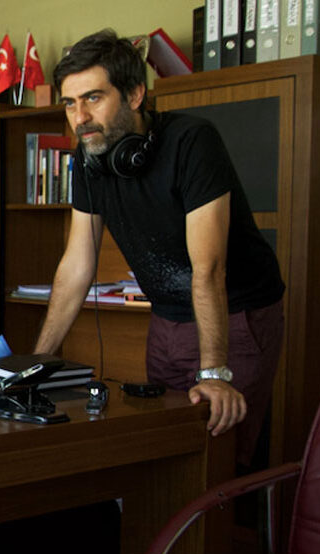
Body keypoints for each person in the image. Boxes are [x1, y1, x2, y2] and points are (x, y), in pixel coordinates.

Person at [33, 30, 285, 468]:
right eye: (70, 103)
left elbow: (208, 268)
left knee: (218, 456)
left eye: (93, 98)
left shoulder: (192, 142)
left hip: (236, 316)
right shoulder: (89, 160)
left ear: (135, 94)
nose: (80, 117)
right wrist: (37, 362)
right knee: (164, 454)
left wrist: (214, 372)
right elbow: (76, 265)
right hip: (165, 322)